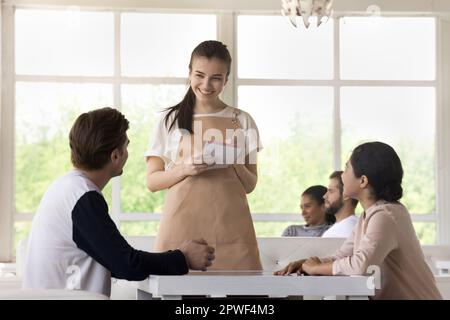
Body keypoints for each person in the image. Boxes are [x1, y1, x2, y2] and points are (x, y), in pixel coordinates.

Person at [24, 108, 215, 297]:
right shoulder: (82, 196)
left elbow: (114, 258)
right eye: (126, 146)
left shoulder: (65, 187)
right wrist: (183, 258)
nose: (127, 153)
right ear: (115, 156)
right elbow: (126, 265)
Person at [145, 40, 262, 270]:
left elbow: (250, 185)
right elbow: (152, 181)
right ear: (189, 73)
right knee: (187, 300)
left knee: (245, 300)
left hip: (233, 229)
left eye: (216, 78)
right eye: (199, 75)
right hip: (182, 228)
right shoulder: (169, 120)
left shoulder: (243, 120)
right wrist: (184, 169)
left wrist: (235, 164)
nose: (206, 84)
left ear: (226, 79)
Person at [275, 142, 442, 300]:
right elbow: (342, 256)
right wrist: (306, 264)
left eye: (347, 167)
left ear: (363, 180)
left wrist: (316, 268)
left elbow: (361, 266)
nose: (342, 174)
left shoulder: (385, 216)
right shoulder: (369, 215)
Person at [321, 171, 358, 238]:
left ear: (346, 195)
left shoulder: (348, 230)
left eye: (331, 191)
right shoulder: (353, 226)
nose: (324, 196)